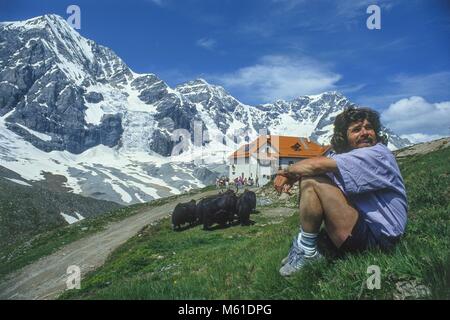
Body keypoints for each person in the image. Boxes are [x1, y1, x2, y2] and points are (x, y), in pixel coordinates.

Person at [274, 106, 408, 276]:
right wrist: (295, 174)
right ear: (344, 136)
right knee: (311, 176)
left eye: (369, 127)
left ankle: (307, 251)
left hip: (380, 240)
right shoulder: (350, 157)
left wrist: (287, 172)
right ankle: (305, 246)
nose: (365, 132)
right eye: (356, 130)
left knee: (311, 180)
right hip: (369, 231)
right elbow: (319, 164)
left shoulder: (377, 154)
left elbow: (316, 165)